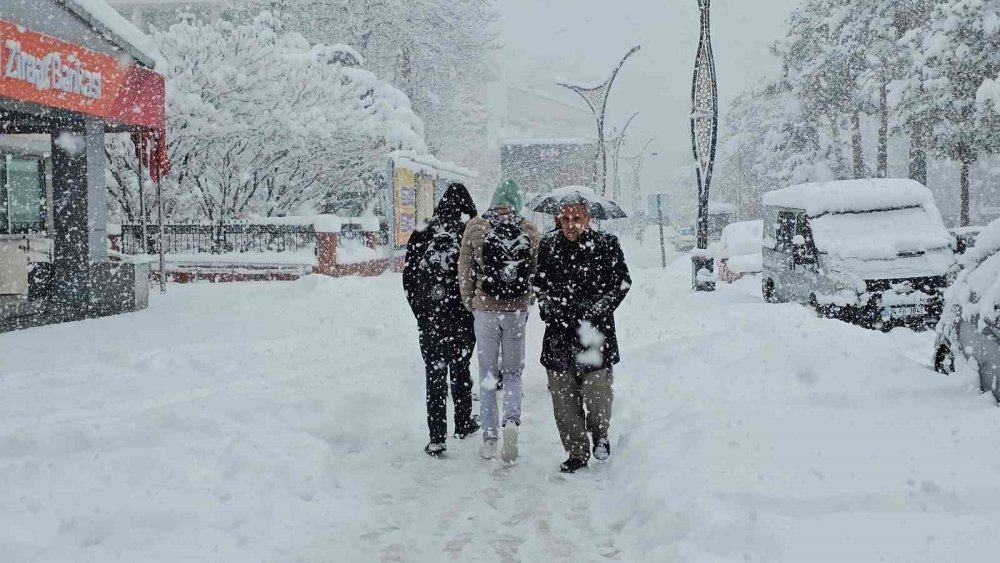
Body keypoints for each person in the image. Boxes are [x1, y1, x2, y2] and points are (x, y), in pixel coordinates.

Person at [534, 201, 631, 473]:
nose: (571, 224)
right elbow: (539, 284)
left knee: (597, 392)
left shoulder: (606, 244)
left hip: (594, 333)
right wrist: (550, 308)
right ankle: (577, 451)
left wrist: (598, 309)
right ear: (558, 219)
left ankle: (600, 434)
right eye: (565, 218)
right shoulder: (548, 244)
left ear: (588, 218)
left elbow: (622, 283)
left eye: (577, 218)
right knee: (564, 400)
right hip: (558, 334)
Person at [458, 179, 540, 462]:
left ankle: (490, 437)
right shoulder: (527, 228)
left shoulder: (476, 226)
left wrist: (471, 300)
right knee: (514, 373)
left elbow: (465, 269)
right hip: (515, 310)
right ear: (517, 203)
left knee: (488, 374)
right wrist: (526, 299)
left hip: (485, 310)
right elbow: (535, 271)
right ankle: (511, 422)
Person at [403, 183, 480, 457]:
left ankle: (437, 436)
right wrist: (471, 310)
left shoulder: (424, 230)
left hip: (432, 322)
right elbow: (479, 275)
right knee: (461, 371)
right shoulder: (470, 230)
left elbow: (409, 278)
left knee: (434, 377)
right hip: (461, 319)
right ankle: (463, 423)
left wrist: (423, 314)